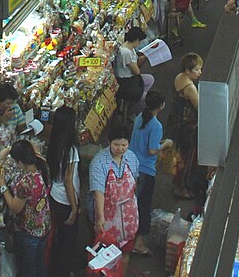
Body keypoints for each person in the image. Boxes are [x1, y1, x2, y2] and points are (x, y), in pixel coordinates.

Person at [0, 141, 51, 277]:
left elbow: (14, 207)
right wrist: (9, 149)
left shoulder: (27, 183)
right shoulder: (42, 163)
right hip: (43, 224)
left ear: (20, 163)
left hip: (29, 231)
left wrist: (2, 184)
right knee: (40, 264)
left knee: (28, 270)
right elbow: (29, 145)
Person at [130, 91, 171, 255]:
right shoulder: (156, 125)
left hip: (132, 166)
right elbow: (152, 149)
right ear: (161, 106)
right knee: (143, 206)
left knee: (131, 203)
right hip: (145, 170)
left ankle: (128, 237)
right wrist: (166, 144)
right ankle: (139, 243)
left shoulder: (140, 117)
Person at [90, 123, 140, 255]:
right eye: (116, 145)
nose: (120, 149)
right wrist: (100, 217)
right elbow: (98, 191)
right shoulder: (99, 162)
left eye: (124, 145)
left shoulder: (132, 158)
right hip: (108, 213)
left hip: (129, 214)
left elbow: (135, 180)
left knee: (126, 250)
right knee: (105, 253)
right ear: (109, 142)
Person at [46, 107, 81, 277]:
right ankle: (62, 272)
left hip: (54, 197)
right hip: (66, 201)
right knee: (67, 242)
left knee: (56, 237)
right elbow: (69, 181)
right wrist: (74, 208)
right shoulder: (71, 150)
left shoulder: (52, 144)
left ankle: (53, 269)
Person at [168, 53, 203, 208]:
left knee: (180, 154)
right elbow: (200, 108)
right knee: (188, 157)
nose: (199, 72)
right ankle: (182, 187)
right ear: (188, 70)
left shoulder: (178, 78)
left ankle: (178, 181)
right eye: (196, 70)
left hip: (177, 122)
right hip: (189, 126)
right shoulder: (190, 88)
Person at [113, 27, 154, 114]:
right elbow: (137, 71)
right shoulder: (126, 53)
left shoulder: (129, 47)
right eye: (139, 41)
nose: (139, 44)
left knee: (150, 79)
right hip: (126, 83)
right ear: (136, 40)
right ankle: (130, 111)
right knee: (146, 100)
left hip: (131, 78)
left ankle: (136, 101)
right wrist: (144, 58)